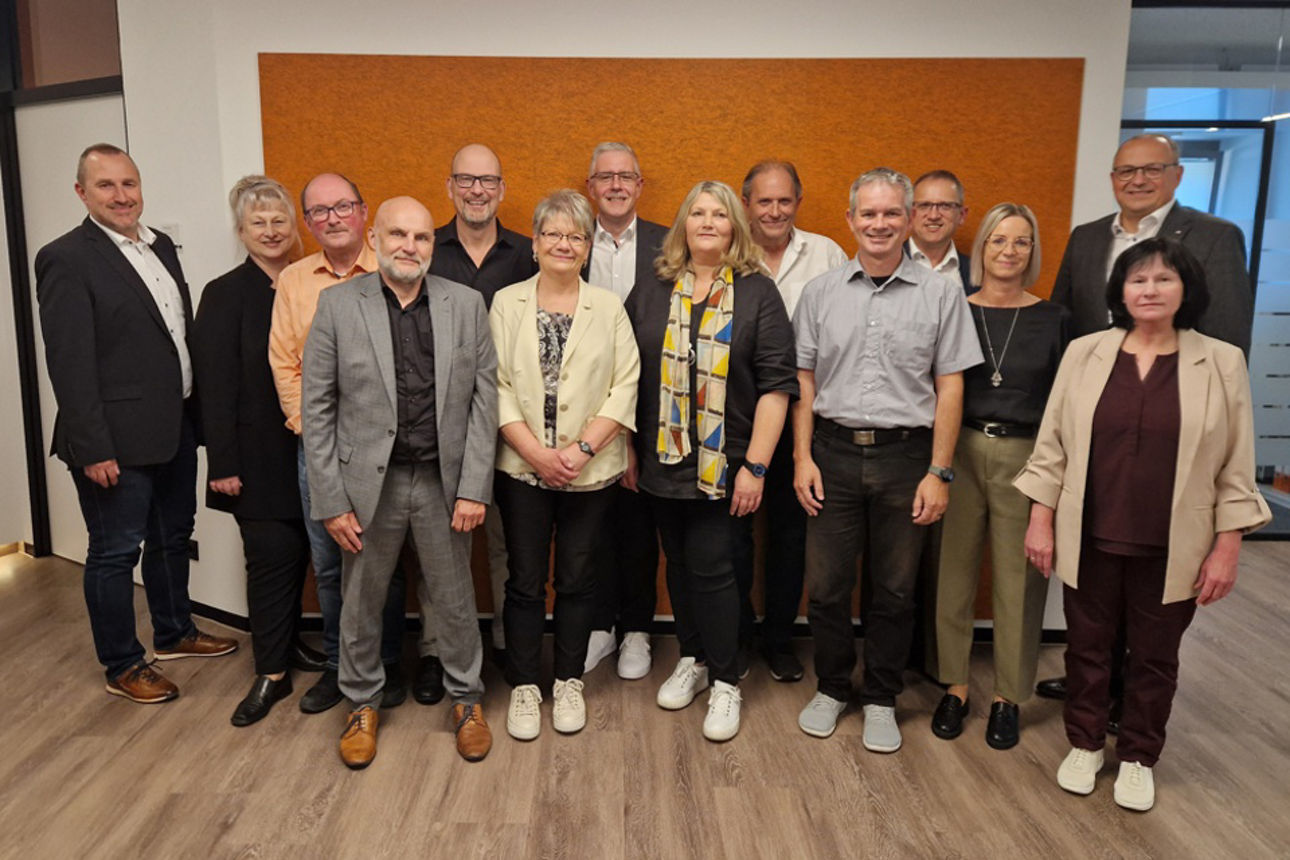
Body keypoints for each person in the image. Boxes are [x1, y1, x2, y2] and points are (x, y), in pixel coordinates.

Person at [1015, 237, 1270, 811]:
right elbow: (1051, 444)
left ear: (1186, 289)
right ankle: (1084, 744)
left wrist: (1227, 547)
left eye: (1163, 280)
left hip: (1175, 540)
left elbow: (1236, 463)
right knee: (1087, 648)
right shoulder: (1086, 352)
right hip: (1092, 531)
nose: (1149, 290)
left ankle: (1137, 755)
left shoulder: (1220, 360)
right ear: (1120, 291)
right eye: (1138, 280)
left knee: (1156, 657)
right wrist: (1041, 519)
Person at [1037, 132, 1255, 708]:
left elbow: (1227, 335)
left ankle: (1131, 696)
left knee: (1156, 589)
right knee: (1098, 580)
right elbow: (1064, 326)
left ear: (1177, 174)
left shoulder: (1213, 237)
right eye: (1124, 171)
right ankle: (1096, 685)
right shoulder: (1088, 239)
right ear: (1112, 179)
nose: (1137, 180)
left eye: (1151, 169)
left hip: (1173, 420)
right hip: (1100, 420)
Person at [35, 143, 237, 703]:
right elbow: (68, 361)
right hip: (112, 442)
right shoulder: (66, 258)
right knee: (116, 551)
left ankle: (174, 633)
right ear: (81, 193)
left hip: (172, 428)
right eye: (106, 186)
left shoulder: (160, 246)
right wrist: (93, 446)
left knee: (173, 537)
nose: (121, 196)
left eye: (129, 183)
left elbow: (174, 335)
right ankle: (123, 664)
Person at [302, 196, 498, 768]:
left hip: (443, 479)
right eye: (397, 235)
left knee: (455, 598)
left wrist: (474, 486)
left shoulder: (465, 305)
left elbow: (486, 402)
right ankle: (360, 704)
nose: (410, 246)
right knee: (361, 599)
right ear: (377, 240)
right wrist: (330, 498)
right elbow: (317, 410)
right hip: (367, 487)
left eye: (421, 237)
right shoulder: (338, 305)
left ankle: (467, 700)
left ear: (432, 246)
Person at [793, 168, 981, 752]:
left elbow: (950, 385)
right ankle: (831, 687)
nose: (879, 224)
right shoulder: (821, 293)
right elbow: (803, 379)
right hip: (832, 454)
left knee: (895, 591)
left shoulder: (941, 293)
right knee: (825, 588)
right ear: (850, 221)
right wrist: (801, 456)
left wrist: (939, 470)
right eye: (867, 214)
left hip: (908, 460)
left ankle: (880, 696)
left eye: (890, 213)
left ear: (908, 220)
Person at [625, 180, 797, 742]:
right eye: (696, 212)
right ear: (682, 224)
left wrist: (757, 467)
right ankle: (694, 659)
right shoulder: (652, 289)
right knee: (676, 564)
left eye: (718, 214)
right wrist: (627, 449)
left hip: (727, 464)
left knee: (716, 569)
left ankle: (726, 681)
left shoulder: (757, 293)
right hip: (661, 461)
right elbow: (626, 376)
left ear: (734, 227)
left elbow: (777, 387)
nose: (706, 222)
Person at [491, 190, 641, 739]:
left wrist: (579, 452)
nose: (562, 243)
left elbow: (626, 385)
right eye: (552, 233)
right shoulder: (507, 303)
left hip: (591, 469)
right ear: (534, 243)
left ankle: (569, 680)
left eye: (575, 235)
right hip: (521, 467)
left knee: (578, 578)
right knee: (525, 580)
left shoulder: (608, 306)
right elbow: (497, 384)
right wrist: (536, 453)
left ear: (587, 247)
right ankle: (526, 686)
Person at [269, 172, 414, 715]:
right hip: (321, 448)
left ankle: (388, 664)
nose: (331, 218)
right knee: (329, 564)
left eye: (342, 207)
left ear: (364, 213)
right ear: (308, 223)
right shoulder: (294, 281)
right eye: (319, 212)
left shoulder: (394, 268)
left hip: (385, 448)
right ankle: (340, 667)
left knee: (385, 564)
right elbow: (285, 362)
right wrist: (316, 433)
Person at [929, 203, 1069, 749]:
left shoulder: (1054, 318)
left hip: (1026, 457)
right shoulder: (953, 309)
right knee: (953, 574)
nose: (1009, 252)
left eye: (1021, 243)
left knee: (1021, 581)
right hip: (959, 449)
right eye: (998, 241)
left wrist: (1051, 489)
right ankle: (955, 686)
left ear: (1032, 253)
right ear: (980, 248)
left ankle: (1010, 696)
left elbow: (1064, 406)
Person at [193, 176, 317, 725]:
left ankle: (288, 645)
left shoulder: (308, 282)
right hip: (256, 457)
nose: (270, 231)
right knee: (270, 562)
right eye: (258, 223)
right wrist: (223, 464)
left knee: (303, 557)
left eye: (279, 221)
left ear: (294, 228)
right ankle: (269, 672)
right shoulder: (224, 293)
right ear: (241, 231)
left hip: (311, 449)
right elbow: (213, 386)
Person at [429, 143, 539, 669]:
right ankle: (436, 653)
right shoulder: (424, 250)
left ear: (502, 190)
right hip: (440, 427)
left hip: (512, 426)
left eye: (488, 181)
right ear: (449, 187)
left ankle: (507, 650)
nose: (477, 190)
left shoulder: (527, 255)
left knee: (507, 546)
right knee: (440, 549)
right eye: (466, 180)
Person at [739, 159, 848, 682]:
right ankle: (735, 637)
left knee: (790, 539)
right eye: (764, 201)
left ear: (797, 203)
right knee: (732, 537)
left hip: (805, 422)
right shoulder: (730, 255)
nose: (775, 211)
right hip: (739, 420)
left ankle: (779, 640)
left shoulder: (827, 254)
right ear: (747, 205)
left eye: (784, 201)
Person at [581, 142, 668, 680]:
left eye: (626, 176)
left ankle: (636, 628)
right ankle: (598, 628)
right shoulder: (567, 240)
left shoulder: (667, 244)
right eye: (605, 177)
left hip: (653, 404)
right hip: (580, 408)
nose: (616, 185)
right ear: (590, 187)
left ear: (640, 185)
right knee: (588, 526)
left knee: (638, 523)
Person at [908, 170, 972, 293]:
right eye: (924, 205)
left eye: (945, 206)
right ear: (910, 213)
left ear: (962, 215)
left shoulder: (980, 274)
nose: (933, 216)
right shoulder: (885, 264)